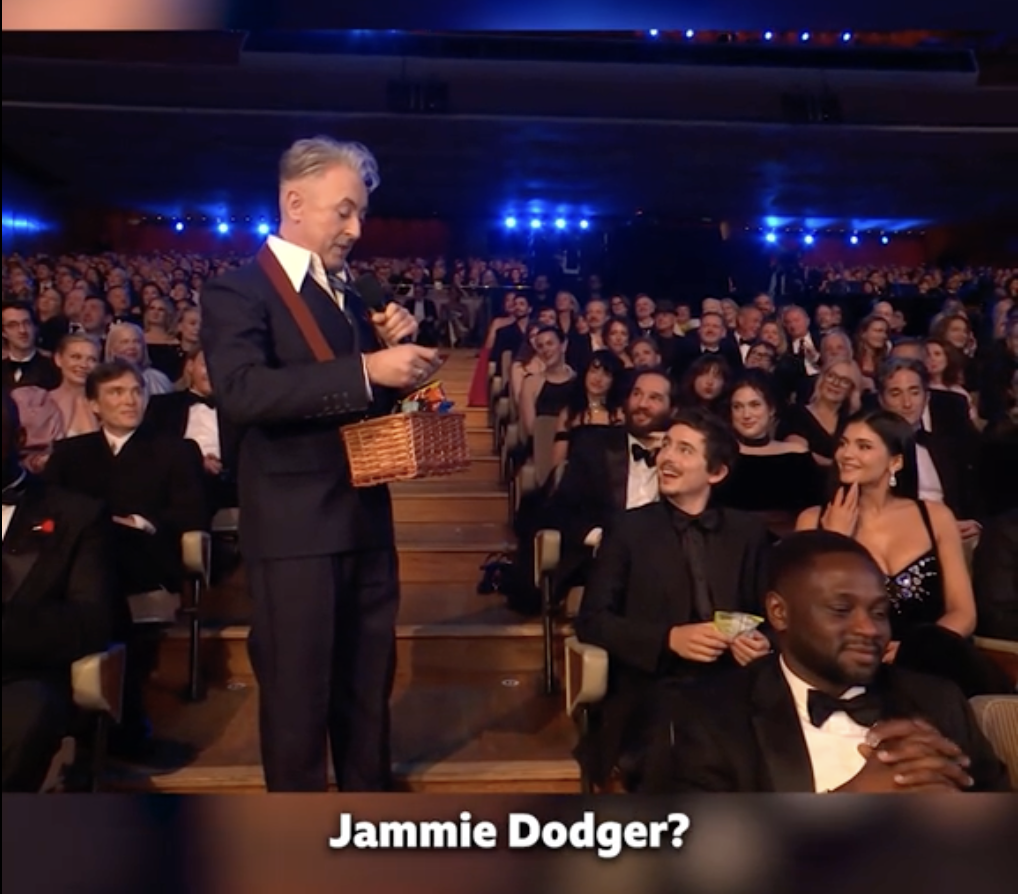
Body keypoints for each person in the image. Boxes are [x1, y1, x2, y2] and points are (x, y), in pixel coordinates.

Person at [200, 137, 441, 791]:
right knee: (298, 701)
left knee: (367, 693)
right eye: (345, 211)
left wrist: (402, 364)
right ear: (294, 202)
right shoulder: (236, 292)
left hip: (365, 516)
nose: (356, 229)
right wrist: (367, 369)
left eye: (360, 213)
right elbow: (245, 393)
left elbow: (360, 397)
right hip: (294, 529)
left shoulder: (353, 295)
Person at [640, 530, 1008, 792]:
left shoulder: (937, 700)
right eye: (841, 610)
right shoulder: (707, 714)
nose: (869, 628)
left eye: (879, 612)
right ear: (779, 613)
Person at [574, 407, 771, 788]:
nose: (665, 457)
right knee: (678, 739)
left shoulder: (749, 532)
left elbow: (771, 616)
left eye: (684, 450)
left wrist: (762, 642)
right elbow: (593, 620)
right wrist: (668, 639)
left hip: (735, 683)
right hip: (654, 686)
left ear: (716, 472)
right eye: (666, 446)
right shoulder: (629, 529)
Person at [2, 389, 113, 790]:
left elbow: (90, 621)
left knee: (26, 716)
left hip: (21, 680)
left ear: (17, 440)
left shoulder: (76, 514)